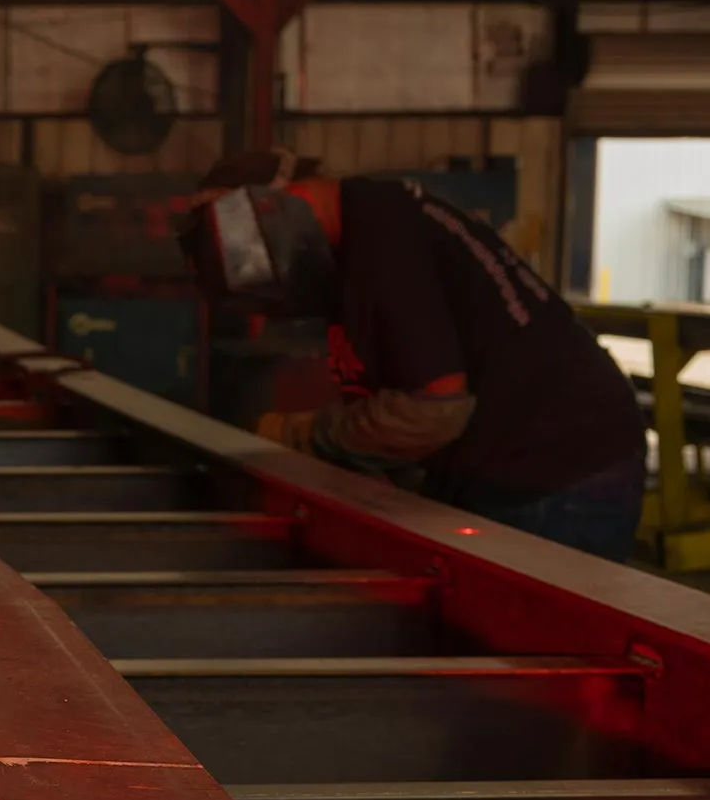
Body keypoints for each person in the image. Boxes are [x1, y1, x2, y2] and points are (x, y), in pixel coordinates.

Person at [178, 150, 647, 562]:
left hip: (559, 471)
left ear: (269, 207)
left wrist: (302, 434)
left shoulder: (383, 236)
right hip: (517, 467)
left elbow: (432, 411)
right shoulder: (357, 242)